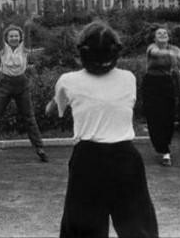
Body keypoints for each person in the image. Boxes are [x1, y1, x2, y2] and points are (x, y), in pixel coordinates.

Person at [46, 21, 158, 238]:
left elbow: (52, 111)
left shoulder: (67, 81)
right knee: (138, 227)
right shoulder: (128, 78)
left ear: (83, 51)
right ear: (114, 51)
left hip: (88, 160)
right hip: (126, 159)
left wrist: (54, 101)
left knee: (83, 228)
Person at [0, 21, 48, 164]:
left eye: (16, 36)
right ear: (7, 38)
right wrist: (1, 28)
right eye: (11, 36)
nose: (14, 38)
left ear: (20, 37)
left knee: (29, 117)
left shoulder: (24, 48)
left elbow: (27, 37)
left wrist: (27, 26)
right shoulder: (2, 49)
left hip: (21, 84)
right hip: (4, 84)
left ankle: (40, 149)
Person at [143, 26, 180, 167]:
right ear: (155, 38)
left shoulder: (174, 49)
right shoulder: (152, 47)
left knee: (169, 116)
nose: (163, 34)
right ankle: (164, 151)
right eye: (159, 33)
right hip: (151, 84)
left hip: (167, 84)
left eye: (165, 33)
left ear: (168, 37)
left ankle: (165, 145)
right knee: (155, 117)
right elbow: (157, 53)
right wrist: (172, 55)